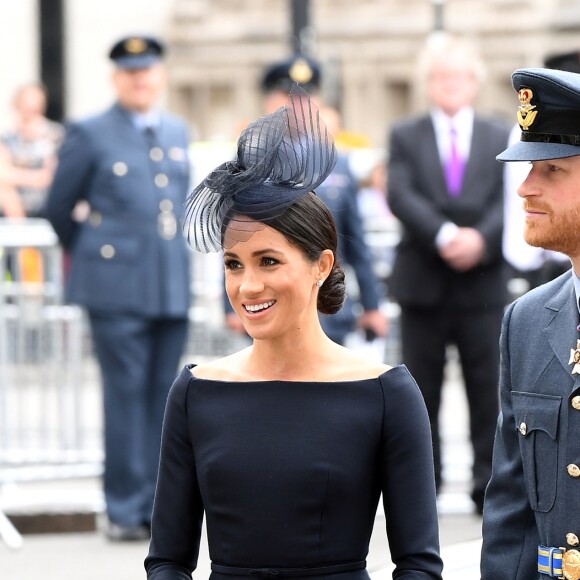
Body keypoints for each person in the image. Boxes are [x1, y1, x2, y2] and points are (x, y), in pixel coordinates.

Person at [145, 89, 443, 579]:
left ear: (321, 266)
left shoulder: (386, 392)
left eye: (269, 261)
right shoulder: (196, 390)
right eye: (233, 265)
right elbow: (167, 561)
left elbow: (419, 565)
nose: (248, 285)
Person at [44, 35, 192, 541]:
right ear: (116, 79)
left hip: (168, 283)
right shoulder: (90, 131)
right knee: (125, 396)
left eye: (148, 71)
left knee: (164, 398)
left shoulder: (175, 129)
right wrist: (97, 253)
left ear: (161, 76)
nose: (141, 79)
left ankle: (156, 505)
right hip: (115, 287)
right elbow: (60, 207)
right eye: (131, 73)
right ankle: (125, 507)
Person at [386, 35, 510, 514]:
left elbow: (511, 197)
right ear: (428, 83)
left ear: (474, 83)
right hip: (423, 281)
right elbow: (400, 192)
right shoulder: (406, 133)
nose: (450, 85)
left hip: (482, 282)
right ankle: (424, 484)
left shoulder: (500, 134)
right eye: (441, 76)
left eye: (459, 76)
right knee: (420, 390)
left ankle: (488, 485)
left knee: (488, 388)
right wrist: (442, 234)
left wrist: (479, 239)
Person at [480, 67, 580, 579]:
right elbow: (512, 516)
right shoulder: (527, 319)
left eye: (551, 171)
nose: (524, 188)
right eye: (526, 169)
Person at [225, 53, 387, 346]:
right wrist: (231, 307)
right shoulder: (249, 163)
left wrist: (372, 306)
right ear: (269, 104)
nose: (297, 106)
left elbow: (356, 242)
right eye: (288, 97)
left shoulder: (337, 162)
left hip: (325, 305)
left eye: (304, 98)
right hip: (265, 300)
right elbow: (232, 241)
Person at [0, 83, 64, 218]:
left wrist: (16, 175)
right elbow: (2, 174)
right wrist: (34, 176)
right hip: (14, 205)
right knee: (4, 189)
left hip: (45, 200)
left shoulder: (55, 135)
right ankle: (21, 233)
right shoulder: (7, 138)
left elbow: (51, 176)